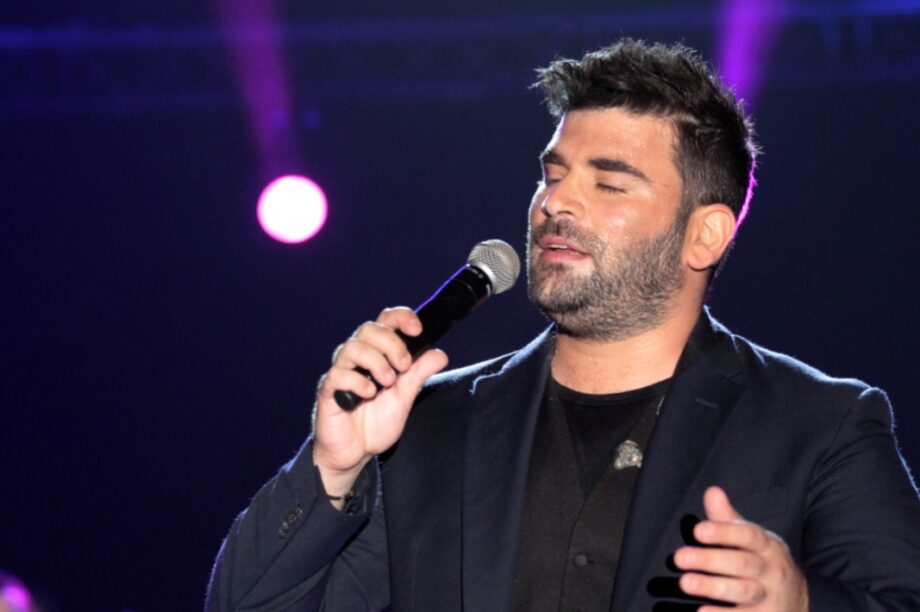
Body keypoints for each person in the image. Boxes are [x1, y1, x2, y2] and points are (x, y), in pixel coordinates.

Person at [206, 39, 920, 611]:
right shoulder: (427, 426)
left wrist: (801, 602)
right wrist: (334, 468)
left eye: (608, 183)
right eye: (552, 176)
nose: (555, 204)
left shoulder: (819, 426)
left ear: (704, 235)